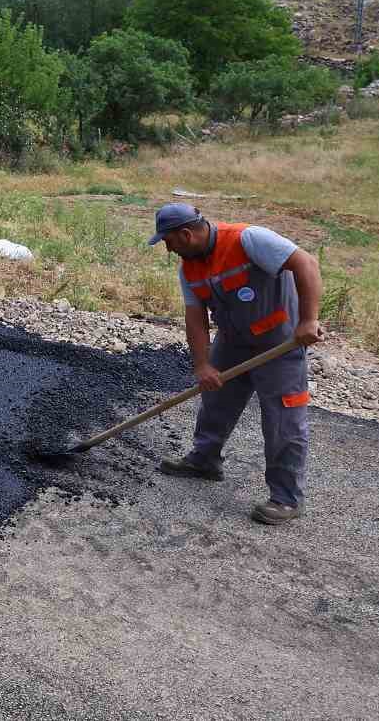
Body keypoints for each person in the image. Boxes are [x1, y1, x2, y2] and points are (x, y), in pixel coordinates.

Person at [149, 203, 324, 525]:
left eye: (168, 242)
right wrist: (202, 365)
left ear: (186, 234)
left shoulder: (249, 240)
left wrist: (309, 320)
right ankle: (204, 460)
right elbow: (196, 318)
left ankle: (286, 498)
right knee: (215, 401)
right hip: (232, 342)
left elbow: (306, 264)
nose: (169, 249)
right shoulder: (190, 268)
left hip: (280, 343)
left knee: (283, 418)